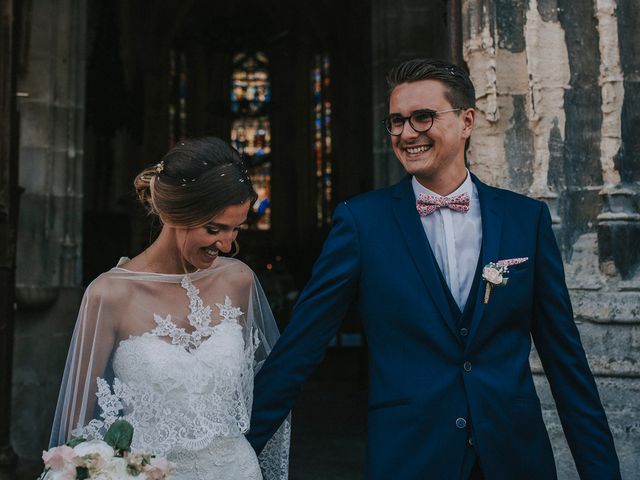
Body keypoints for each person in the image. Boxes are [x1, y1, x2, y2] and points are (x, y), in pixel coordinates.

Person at [247, 59, 621, 479]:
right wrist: (235, 455)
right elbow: (301, 346)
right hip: (410, 456)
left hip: (514, 456)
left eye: (423, 117)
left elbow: (565, 360)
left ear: (467, 121)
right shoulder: (361, 223)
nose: (407, 133)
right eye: (396, 122)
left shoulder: (525, 220)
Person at [50, 137, 290, 480]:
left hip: (236, 470)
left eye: (236, 228)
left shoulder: (240, 281)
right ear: (176, 214)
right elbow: (76, 431)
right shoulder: (109, 294)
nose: (227, 244)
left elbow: (269, 384)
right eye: (215, 229)